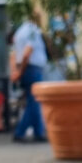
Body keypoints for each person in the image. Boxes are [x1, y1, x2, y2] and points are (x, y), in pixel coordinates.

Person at [11, 7, 48, 143]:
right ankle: (20, 132)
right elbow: (27, 52)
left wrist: (16, 70)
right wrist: (20, 71)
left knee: (34, 101)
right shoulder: (32, 31)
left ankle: (38, 132)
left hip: (27, 69)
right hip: (32, 69)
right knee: (34, 102)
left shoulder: (20, 31)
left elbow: (15, 54)